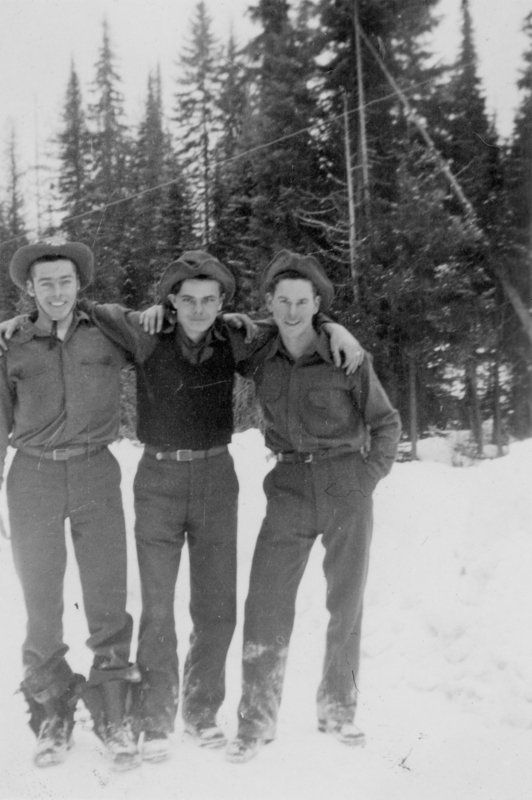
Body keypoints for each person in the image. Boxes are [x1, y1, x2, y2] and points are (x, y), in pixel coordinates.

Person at [0, 249, 362, 763]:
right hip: (146, 478)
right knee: (144, 607)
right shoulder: (138, 333)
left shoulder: (233, 337)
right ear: (170, 301)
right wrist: (16, 322)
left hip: (209, 476)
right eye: (187, 299)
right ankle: (137, 717)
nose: (198, 309)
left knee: (209, 605)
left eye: (209, 299)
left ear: (222, 303)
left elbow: (291, 319)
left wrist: (331, 326)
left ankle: (192, 711)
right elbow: (83, 315)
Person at [225, 250, 401, 763]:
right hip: (288, 486)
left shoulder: (346, 355)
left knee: (345, 602)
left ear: (317, 304)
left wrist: (367, 479)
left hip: (346, 483)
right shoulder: (260, 351)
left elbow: (386, 423)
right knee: (265, 602)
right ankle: (256, 721)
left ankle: (338, 709)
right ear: (269, 303)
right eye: (283, 301)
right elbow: (214, 328)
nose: (292, 311)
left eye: (303, 302)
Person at [0, 241, 141, 771]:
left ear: (79, 285)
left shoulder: (109, 332)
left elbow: (181, 331)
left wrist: (328, 327)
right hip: (32, 476)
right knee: (40, 602)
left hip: (94, 471)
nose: (56, 292)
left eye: (65, 281)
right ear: (30, 290)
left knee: (106, 595)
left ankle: (113, 714)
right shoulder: (11, 345)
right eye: (46, 284)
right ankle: (51, 714)